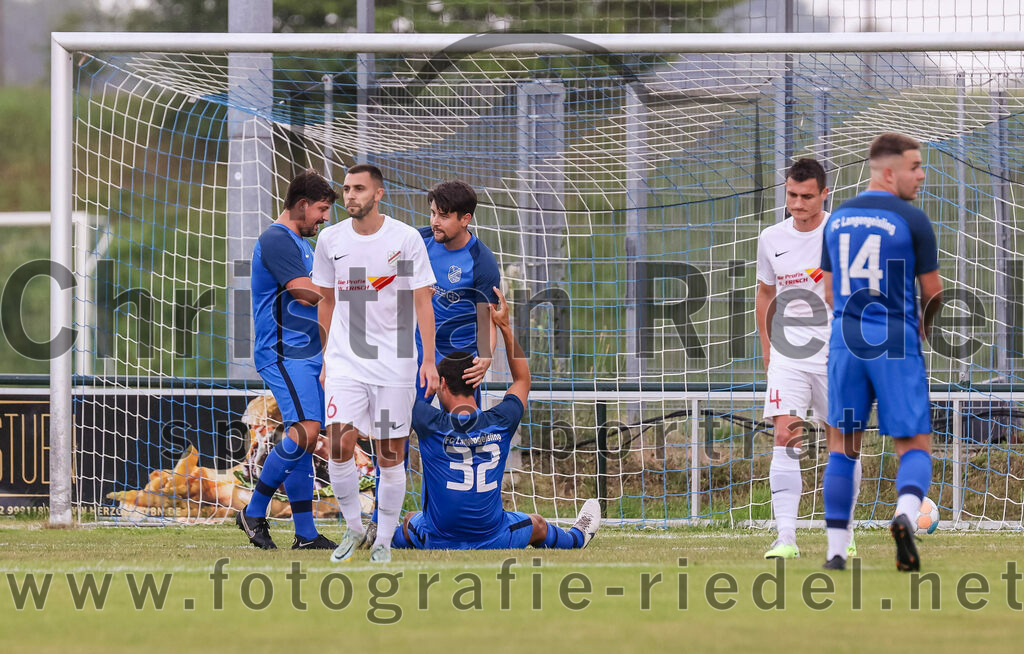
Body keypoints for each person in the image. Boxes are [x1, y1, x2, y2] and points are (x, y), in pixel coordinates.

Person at [393, 286, 601, 551]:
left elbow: (401, 387)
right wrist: (503, 326)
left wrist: (419, 314)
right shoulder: (500, 420)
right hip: (492, 537)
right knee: (537, 523)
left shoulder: (428, 421)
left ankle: (380, 538)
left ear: (441, 384)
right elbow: (523, 380)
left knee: (411, 521)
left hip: (439, 538)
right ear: (476, 385)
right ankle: (577, 537)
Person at [820, 133, 943, 571]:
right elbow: (933, 292)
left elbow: (831, 291)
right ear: (889, 172)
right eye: (915, 166)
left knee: (842, 446)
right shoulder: (912, 220)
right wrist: (923, 329)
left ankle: (836, 553)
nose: (921, 174)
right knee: (914, 443)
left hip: (846, 338)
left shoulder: (836, 220)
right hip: (893, 338)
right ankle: (905, 516)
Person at [312, 164, 439, 563]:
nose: (350, 196)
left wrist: (429, 360)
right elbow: (326, 301)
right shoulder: (330, 240)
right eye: (347, 189)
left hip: (395, 363)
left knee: (389, 454)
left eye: (359, 189)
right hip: (346, 361)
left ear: (379, 194)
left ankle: (383, 538)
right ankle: (353, 528)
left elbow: (422, 301)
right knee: (338, 443)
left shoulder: (403, 240)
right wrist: (325, 356)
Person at [363, 180, 503, 544]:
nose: (434, 221)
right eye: (432, 213)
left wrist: (486, 357)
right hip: (411, 360)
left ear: (466, 219)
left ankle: (460, 521)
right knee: (391, 436)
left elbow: (487, 314)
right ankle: (381, 520)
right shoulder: (418, 241)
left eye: (443, 216)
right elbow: (384, 276)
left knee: (460, 442)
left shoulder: (481, 262)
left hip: (457, 367)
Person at [755, 158, 859, 560]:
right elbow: (765, 294)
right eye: (791, 195)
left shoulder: (842, 233)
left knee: (842, 445)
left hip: (838, 353)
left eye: (807, 197)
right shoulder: (770, 238)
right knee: (786, 436)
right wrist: (767, 348)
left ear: (824, 194)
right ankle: (786, 538)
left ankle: (844, 531)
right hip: (789, 353)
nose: (797, 204)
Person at [237, 169, 338, 551]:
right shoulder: (276, 238)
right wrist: (350, 291)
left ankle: (306, 534)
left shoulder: (300, 242)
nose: (325, 218)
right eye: (322, 209)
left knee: (306, 439)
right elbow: (302, 294)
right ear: (301, 205)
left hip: (306, 352)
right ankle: (253, 509)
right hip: (284, 351)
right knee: (308, 429)